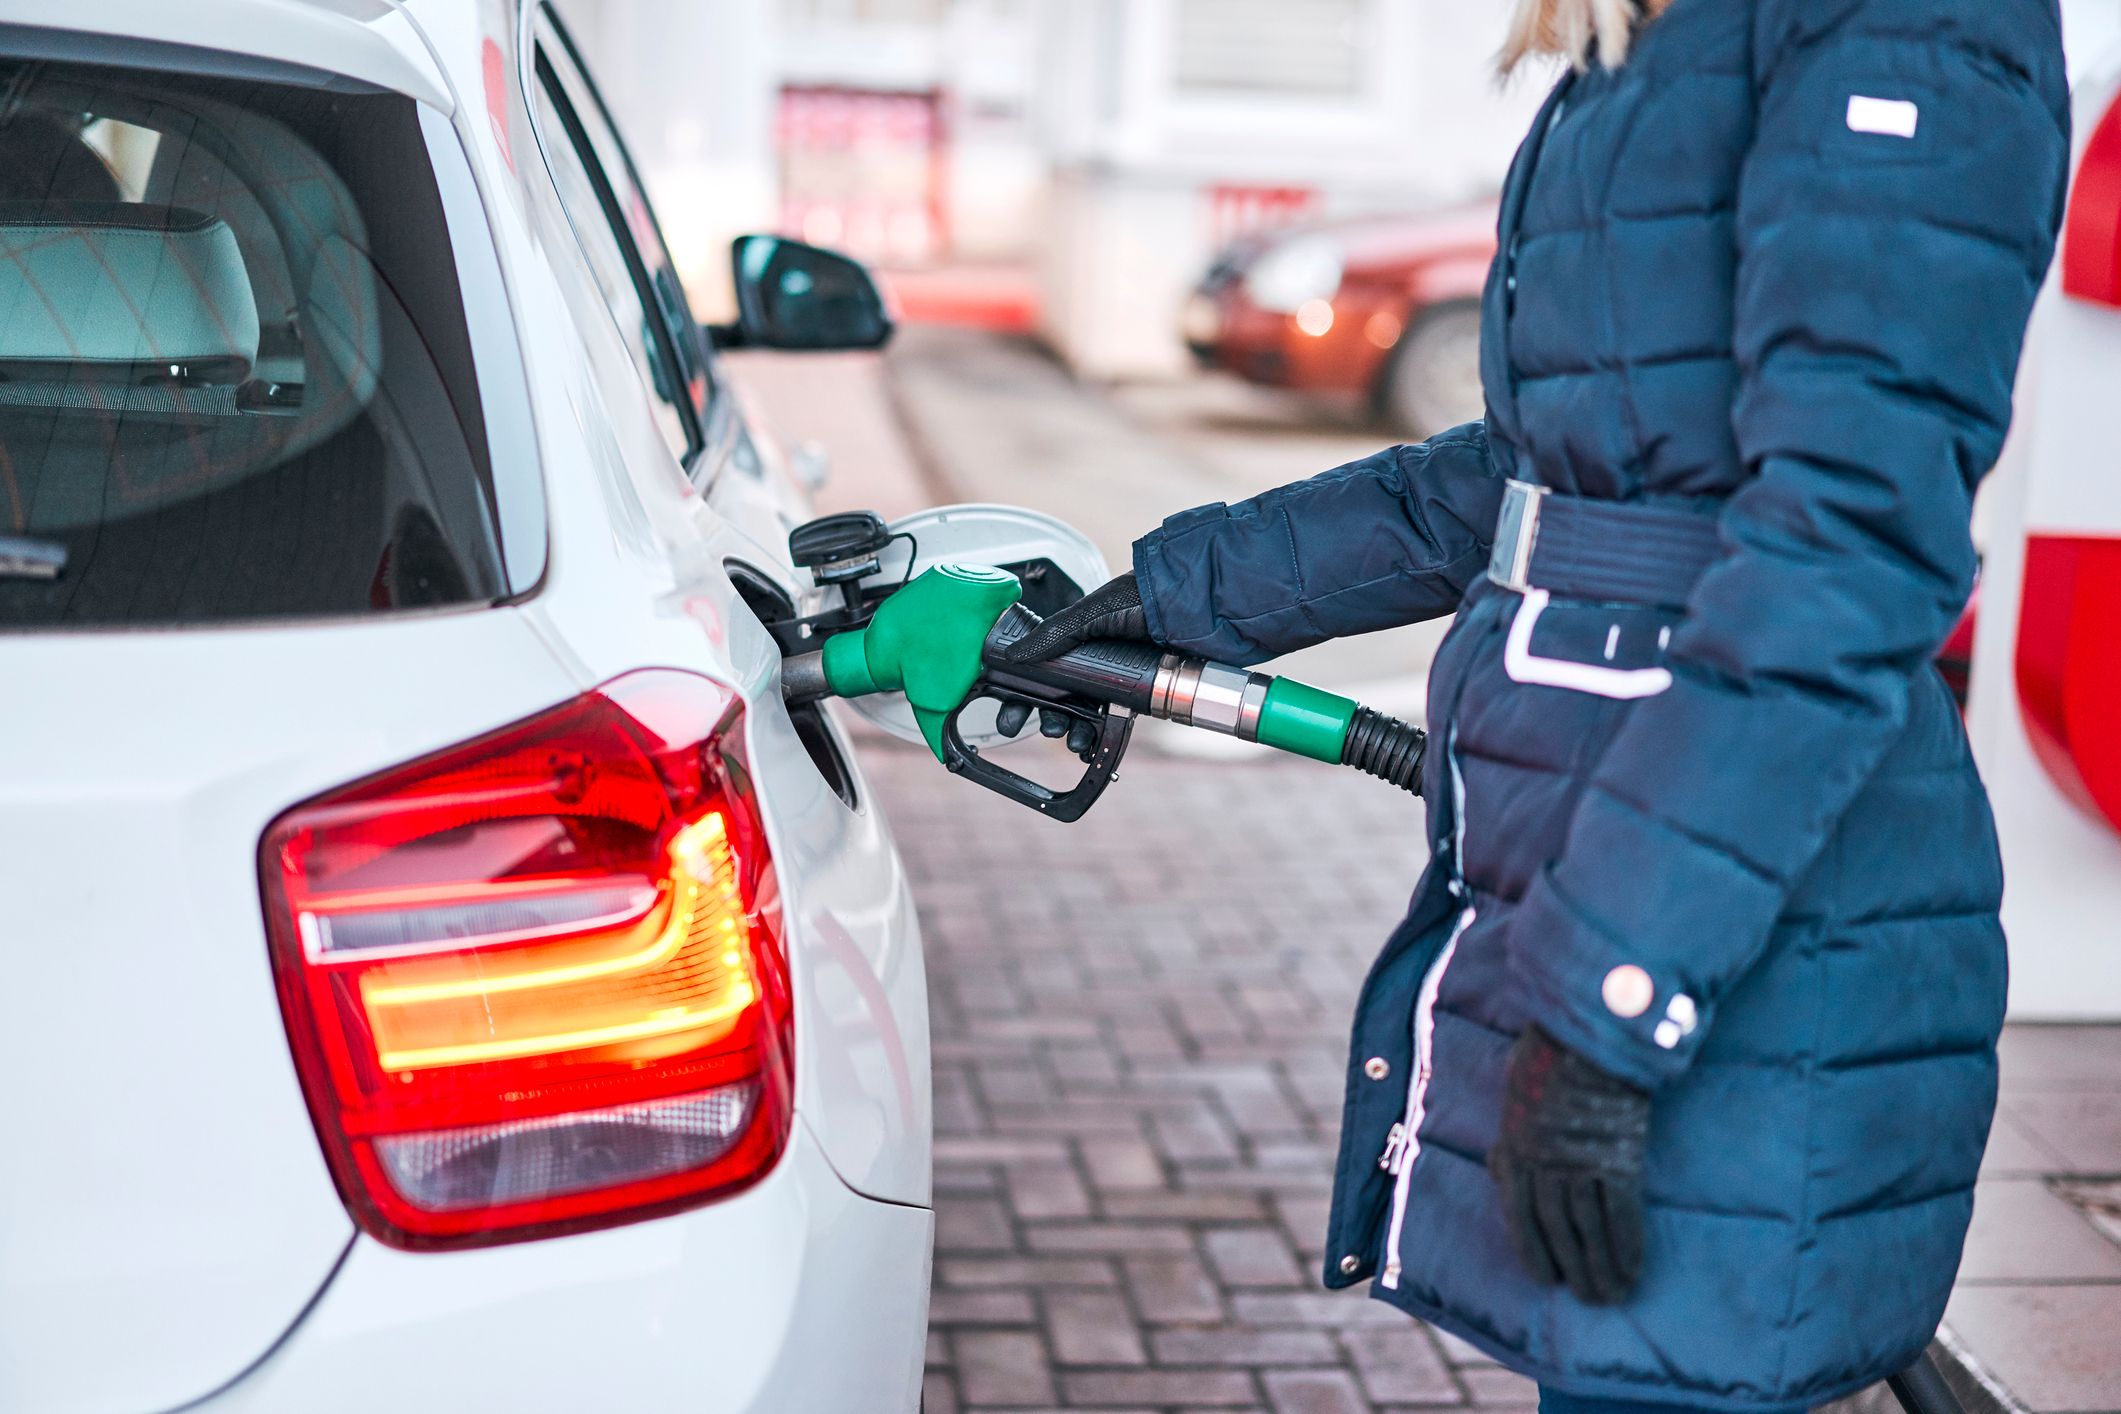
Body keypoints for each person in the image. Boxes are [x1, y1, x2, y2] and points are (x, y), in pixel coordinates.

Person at [1003, 0, 2071, 1408]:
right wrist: (1180, 590)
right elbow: (1541, 469)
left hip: (1742, 932)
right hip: (1630, 881)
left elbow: (1845, 549)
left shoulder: (1900, 23)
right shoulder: (1681, 29)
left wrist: (1609, 1007)